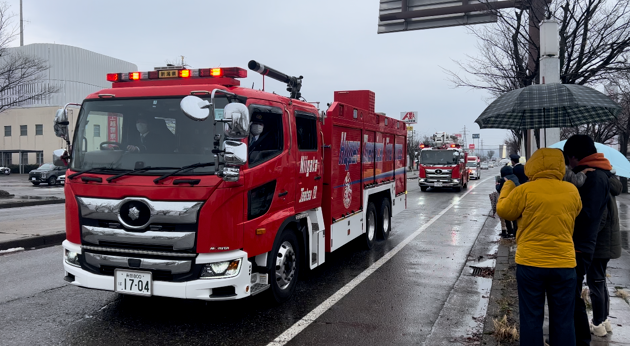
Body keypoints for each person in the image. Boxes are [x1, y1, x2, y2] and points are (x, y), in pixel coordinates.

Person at [497, 148, 582, 346]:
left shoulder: (524, 191)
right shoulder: (571, 191)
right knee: (563, 320)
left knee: (531, 318)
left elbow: (504, 211)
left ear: (532, 165)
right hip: (564, 263)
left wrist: (508, 187)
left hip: (531, 263)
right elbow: (576, 212)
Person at [563, 134, 612, 346]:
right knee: (569, 296)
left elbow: (588, 215)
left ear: (575, 157)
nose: (567, 164)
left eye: (568, 159)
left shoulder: (594, 177)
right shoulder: (593, 174)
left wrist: (562, 211)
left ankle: (580, 340)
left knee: (571, 298)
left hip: (579, 246)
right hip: (579, 245)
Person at [588, 171, 622, 337]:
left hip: (599, 245)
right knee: (600, 282)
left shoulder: (601, 187)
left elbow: (600, 219)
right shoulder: (611, 184)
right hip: (607, 244)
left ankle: (597, 323)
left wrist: (587, 238)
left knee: (595, 283)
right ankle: (604, 319)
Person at [496, 165, 520, 238]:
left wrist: (497, 185)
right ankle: (515, 232)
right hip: (516, 199)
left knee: (506, 215)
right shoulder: (515, 177)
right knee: (515, 217)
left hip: (507, 199)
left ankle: (509, 231)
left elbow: (500, 189)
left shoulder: (504, 179)